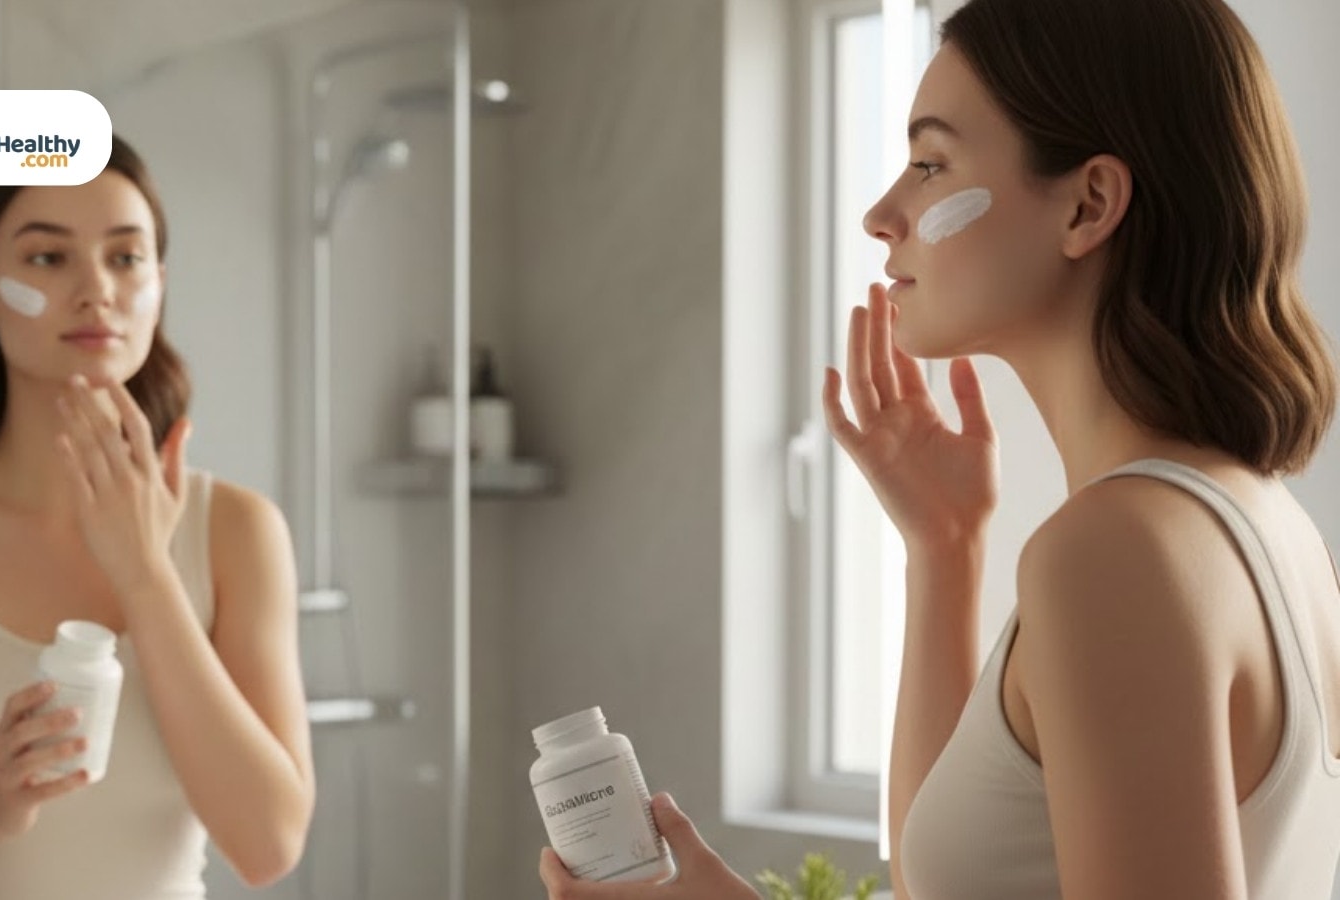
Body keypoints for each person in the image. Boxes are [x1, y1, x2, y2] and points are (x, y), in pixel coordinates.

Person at [540, 0, 1340, 897]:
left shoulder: (1120, 551)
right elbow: (945, 885)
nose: (883, 214)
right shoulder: (1259, 523)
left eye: (930, 164)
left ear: (1090, 204)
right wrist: (943, 550)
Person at [0, 136, 315, 899]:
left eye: (125, 257)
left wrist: (145, 575)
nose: (96, 290)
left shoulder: (239, 532)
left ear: (159, 285)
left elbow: (269, 845)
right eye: (48, 258)